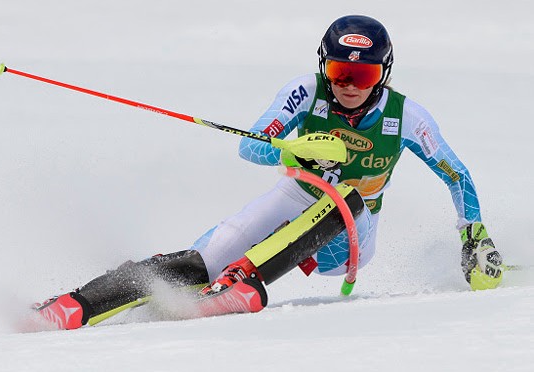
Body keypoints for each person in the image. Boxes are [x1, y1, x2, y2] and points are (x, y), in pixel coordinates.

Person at [33, 15, 504, 330]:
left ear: (383, 72)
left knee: (346, 199)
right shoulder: (306, 91)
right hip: (297, 195)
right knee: (209, 253)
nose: (348, 86)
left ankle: (243, 282)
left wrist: (473, 234)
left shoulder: (409, 117)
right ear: (324, 65)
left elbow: (456, 174)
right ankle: (78, 304)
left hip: (350, 233)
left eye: (362, 76)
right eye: (340, 72)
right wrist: (294, 147)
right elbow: (251, 145)